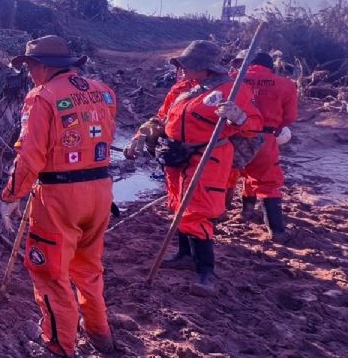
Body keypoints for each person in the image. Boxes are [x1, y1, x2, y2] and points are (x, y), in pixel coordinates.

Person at [0, 35, 118, 357]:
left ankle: (58, 344)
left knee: (49, 273)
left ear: (43, 66)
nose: (29, 73)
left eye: (31, 66)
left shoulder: (42, 97)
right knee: (89, 269)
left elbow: (30, 158)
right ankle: (99, 333)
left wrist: (10, 196)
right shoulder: (104, 93)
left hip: (59, 198)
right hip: (101, 191)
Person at [125, 40, 263, 294]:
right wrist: (141, 135)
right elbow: (161, 117)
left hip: (209, 156)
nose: (182, 69)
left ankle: (205, 273)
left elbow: (254, 126)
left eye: (188, 65)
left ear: (206, 67)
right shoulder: (182, 88)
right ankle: (184, 255)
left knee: (196, 211)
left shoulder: (232, 90)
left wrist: (237, 116)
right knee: (178, 205)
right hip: (177, 155)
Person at [234, 52, 298, 241]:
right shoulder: (285, 84)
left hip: (232, 135)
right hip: (264, 136)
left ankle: (245, 212)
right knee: (267, 180)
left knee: (240, 173)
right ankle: (277, 232)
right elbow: (290, 117)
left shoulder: (234, 79)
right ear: (271, 67)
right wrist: (276, 126)